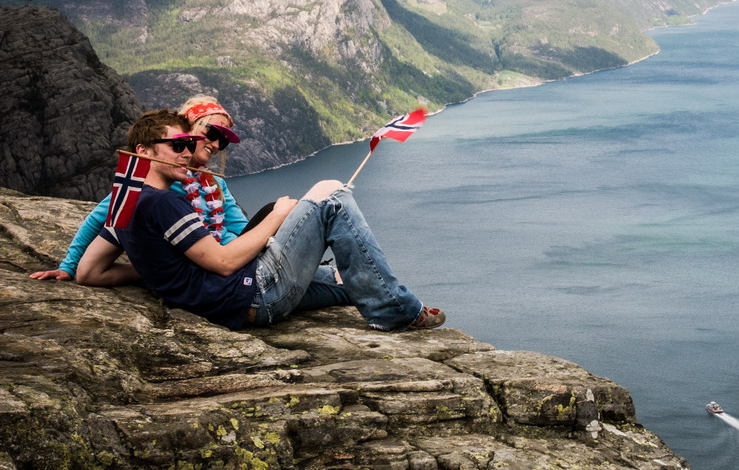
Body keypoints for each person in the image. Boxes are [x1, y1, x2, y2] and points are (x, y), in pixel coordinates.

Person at [77, 110, 445, 332]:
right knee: (330, 192)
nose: (188, 154)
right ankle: (396, 313)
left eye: (190, 144)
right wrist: (278, 217)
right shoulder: (161, 203)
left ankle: (381, 297)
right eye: (177, 146)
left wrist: (160, 270)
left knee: (345, 280)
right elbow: (222, 263)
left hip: (241, 297)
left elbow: (89, 273)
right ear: (143, 151)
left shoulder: (127, 200)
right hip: (254, 294)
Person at [30, 98, 249, 283]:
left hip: (222, 258)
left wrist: (262, 244)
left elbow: (239, 225)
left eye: (223, 140)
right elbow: (101, 217)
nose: (217, 144)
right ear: (188, 129)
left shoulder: (215, 184)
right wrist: (68, 267)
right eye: (212, 133)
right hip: (192, 268)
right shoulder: (154, 182)